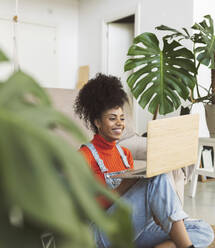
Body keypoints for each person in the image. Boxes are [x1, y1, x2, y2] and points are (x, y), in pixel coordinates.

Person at [74, 73, 214, 248]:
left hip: (133, 231)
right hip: (102, 233)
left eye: (122, 118)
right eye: (112, 118)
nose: (119, 123)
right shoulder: (84, 156)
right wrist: (121, 188)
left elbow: (137, 208)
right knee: (157, 179)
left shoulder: (124, 154)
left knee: (202, 229)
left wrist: (158, 208)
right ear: (97, 122)